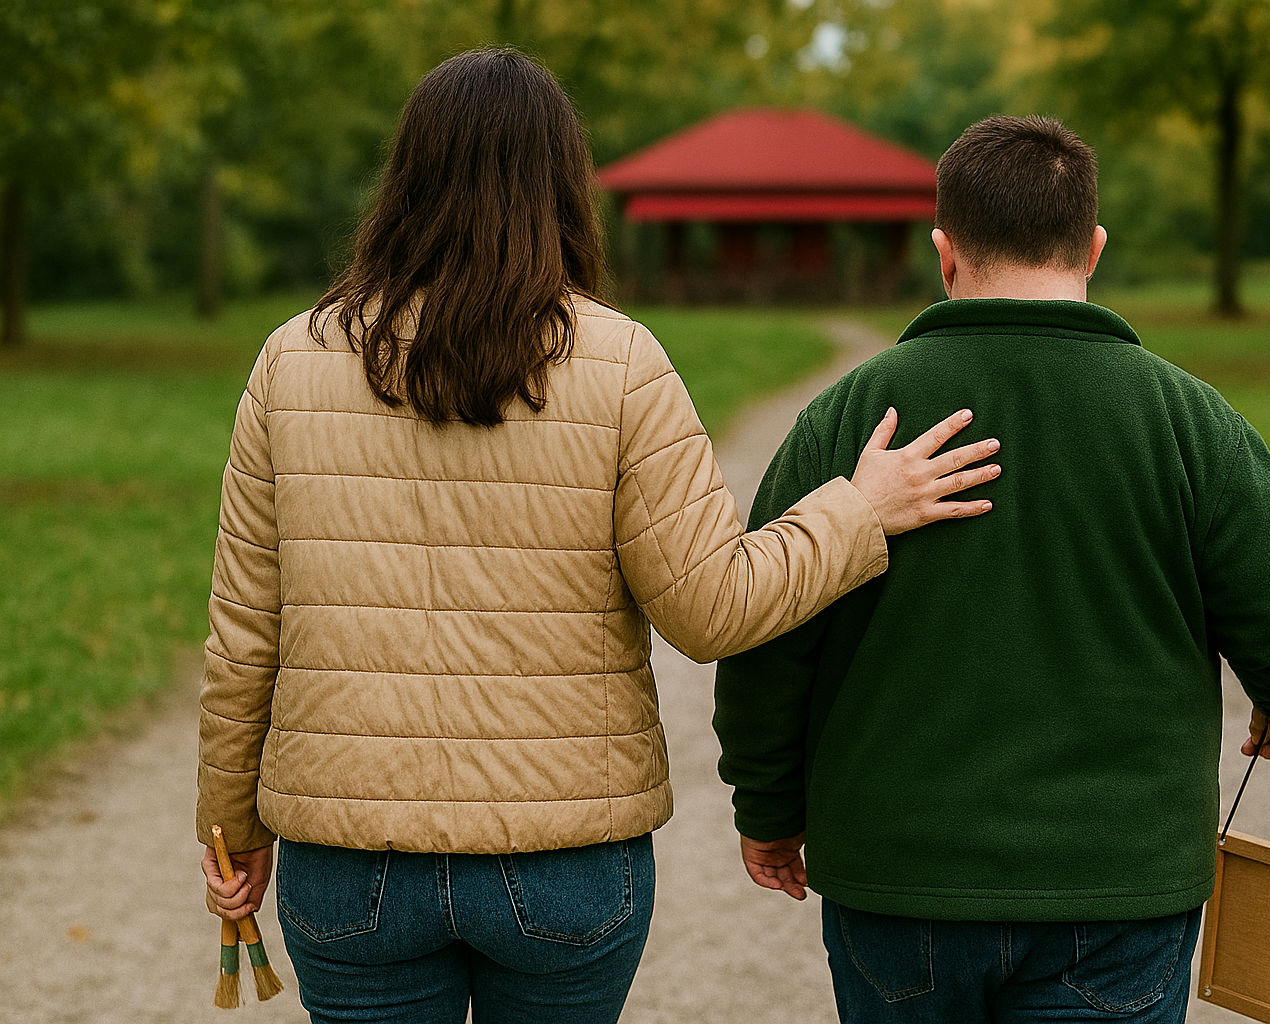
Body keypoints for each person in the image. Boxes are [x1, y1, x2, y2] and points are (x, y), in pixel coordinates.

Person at [195, 49, 1002, 1024]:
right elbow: (713, 608)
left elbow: (244, 635)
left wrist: (231, 826)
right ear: (561, 188)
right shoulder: (621, 363)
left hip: (349, 867)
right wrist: (859, 508)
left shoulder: (293, 359)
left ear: (404, 177)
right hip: (565, 866)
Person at [713, 115, 1270, 1024]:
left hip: (899, 882)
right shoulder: (1186, 418)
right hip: (1119, 888)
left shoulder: (849, 417)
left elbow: (772, 630)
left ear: (944, 251)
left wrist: (768, 803)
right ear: (1092, 247)